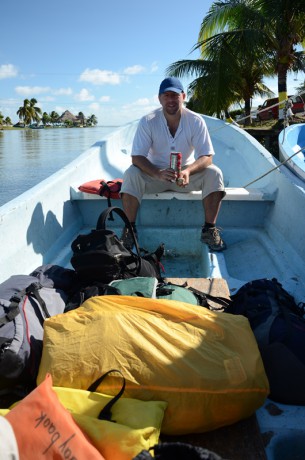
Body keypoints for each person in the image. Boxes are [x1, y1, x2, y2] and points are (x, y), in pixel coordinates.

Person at [120, 77, 226, 251]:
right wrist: (157, 173)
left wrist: (188, 171)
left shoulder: (195, 120)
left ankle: (209, 230)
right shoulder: (148, 121)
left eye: (175, 95)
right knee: (131, 173)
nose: (170, 99)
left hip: (185, 177)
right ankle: (130, 231)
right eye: (166, 95)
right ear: (159, 98)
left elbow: (207, 156)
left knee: (214, 173)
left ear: (183, 96)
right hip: (155, 175)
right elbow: (137, 157)